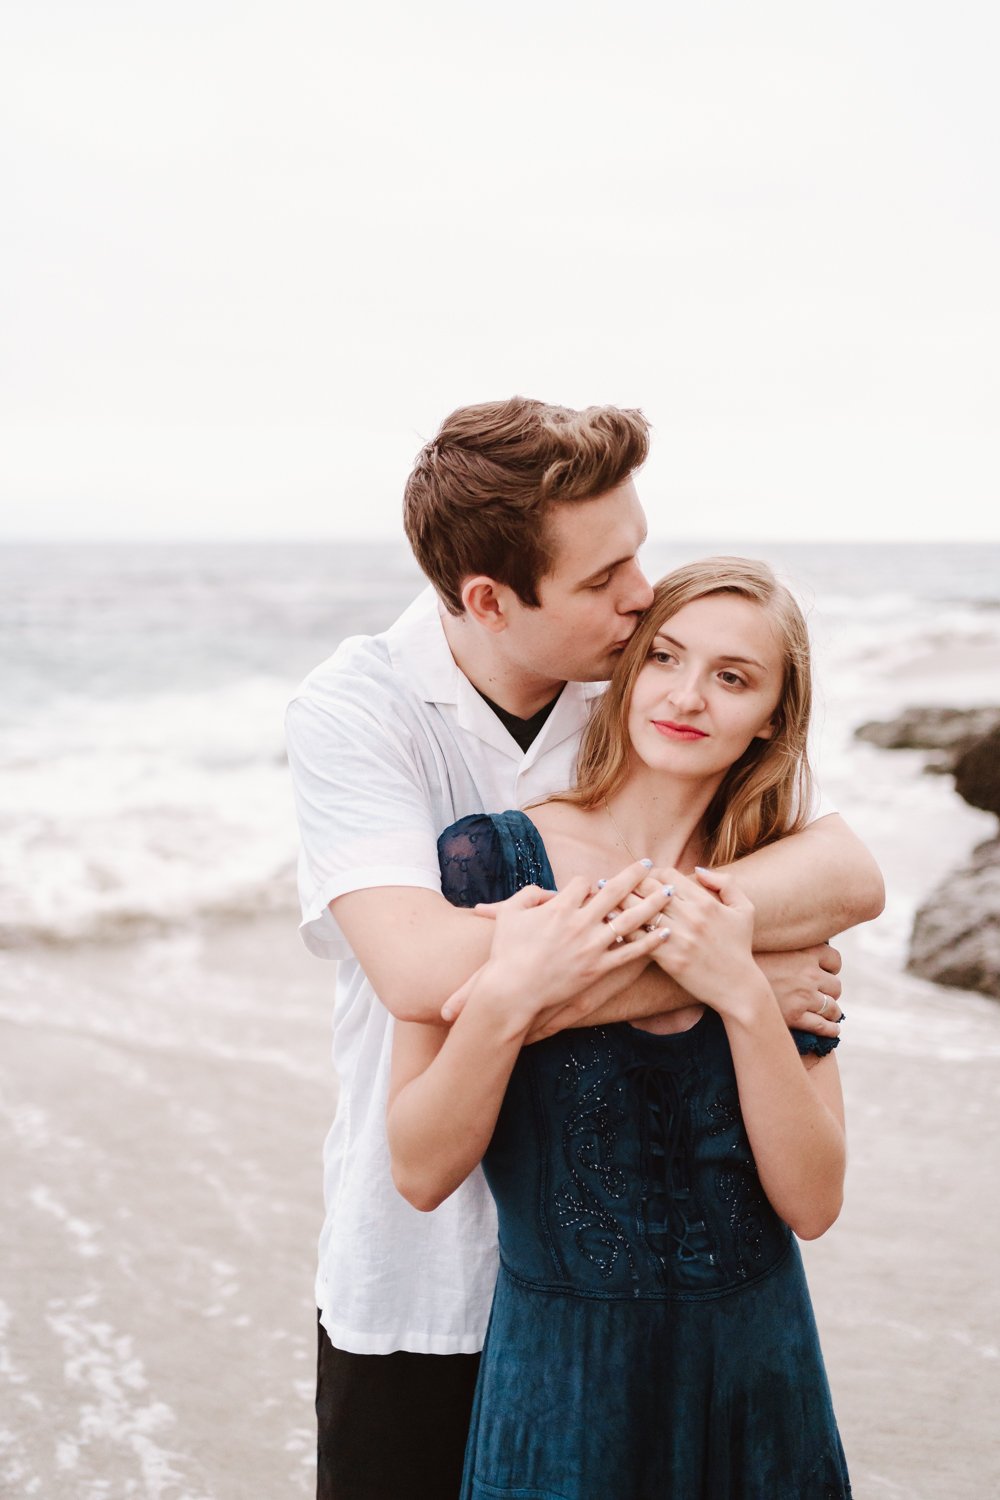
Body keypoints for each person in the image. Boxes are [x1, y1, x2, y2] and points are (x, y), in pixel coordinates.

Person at [285, 399, 883, 1499]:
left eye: (639, 554)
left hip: (703, 1324)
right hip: (421, 1285)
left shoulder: (637, 681)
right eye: (606, 573)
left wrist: (719, 972)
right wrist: (718, 972)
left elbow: (842, 872)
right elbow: (422, 972)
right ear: (489, 601)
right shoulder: (360, 711)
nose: (642, 593)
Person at [387, 558, 854, 1498]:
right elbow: (420, 1170)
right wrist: (514, 998)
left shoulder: (775, 891)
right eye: (666, 658)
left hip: (759, 1374)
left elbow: (812, 1202)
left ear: (772, 715)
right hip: (562, 1386)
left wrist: (742, 992)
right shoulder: (489, 858)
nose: (688, 696)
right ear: (626, 668)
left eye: (733, 677)